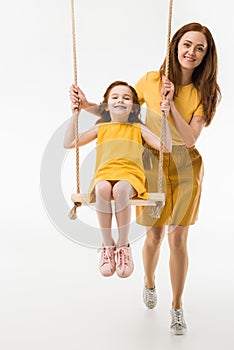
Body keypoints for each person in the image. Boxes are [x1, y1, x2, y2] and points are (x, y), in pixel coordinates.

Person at [69, 22, 221, 335]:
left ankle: (177, 305)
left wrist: (170, 107)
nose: (191, 52)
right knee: (154, 236)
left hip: (186, 167)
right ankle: (149, 282)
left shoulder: (206, 92)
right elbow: (120, 112)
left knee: (178, 238)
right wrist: (85, 106)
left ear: (206, 55)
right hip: (152, 164)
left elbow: (190, 138)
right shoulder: (151, 80)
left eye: (199, 48)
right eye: (187, 44)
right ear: (176, 45)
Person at [64, 81, 171, 279]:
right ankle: (107, 245)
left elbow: (166, 147)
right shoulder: (102, 127)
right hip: (104, 174)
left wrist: (166, 116)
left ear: (133, 106)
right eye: (115, 97)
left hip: (131, 176)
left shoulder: (137, 127)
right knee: (103, 188)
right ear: (106, 104)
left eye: (126, 97)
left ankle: (123, 245)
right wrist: (76, 114)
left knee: (121, 189)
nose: (120, 100)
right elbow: (69, 143)